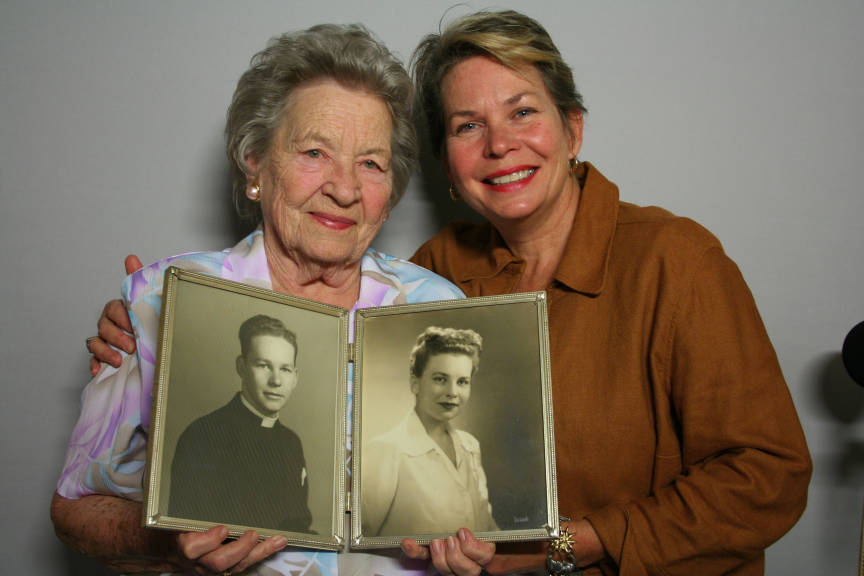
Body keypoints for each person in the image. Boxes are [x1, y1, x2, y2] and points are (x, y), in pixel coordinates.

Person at [88, 9, 812, 576]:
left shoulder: (676, 261)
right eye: (469, 125)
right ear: (448, 161)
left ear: (574, 129)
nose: (500, 144)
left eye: (523, 111)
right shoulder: (438, 277)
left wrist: (570, 545)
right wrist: (151, 326)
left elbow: (768, 477)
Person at [51, 23, 463, 576]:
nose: (344, 188)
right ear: (255, 165)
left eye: (370, 163)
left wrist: (476, 545)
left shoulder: (435, 309)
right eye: (315, 151)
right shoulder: (162, 301)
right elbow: (72, 509)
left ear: (388, 195)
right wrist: (166, 543)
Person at [169, 315, 311, 532]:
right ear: (242, 367)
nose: (276, 381)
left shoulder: (292, 443)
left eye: (285, 369)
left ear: (295, 378)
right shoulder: (203, 435)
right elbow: (188, 532)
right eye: (264, 365)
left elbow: (298, 526)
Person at [362, 327, 497, 537]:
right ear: (415, 383)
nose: (452, 392)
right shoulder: (387, 450)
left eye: (462, 382)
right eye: (440, 379)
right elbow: (361, 540)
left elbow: (486, 527)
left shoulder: (470, 445)